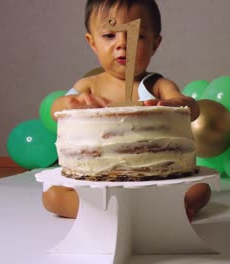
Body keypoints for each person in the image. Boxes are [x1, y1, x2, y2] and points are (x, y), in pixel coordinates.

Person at [43, 0, 211, 221]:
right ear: (92, 43)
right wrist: (71, 103)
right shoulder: (89, 86)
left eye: (138, 36)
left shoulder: (156, 85)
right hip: (94, 180)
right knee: (52, 195)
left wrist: (175, 104)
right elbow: (56, 109)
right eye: (109, 36)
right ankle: (108, 214)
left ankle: (161, 209)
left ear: (155, 43)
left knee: (201, 188)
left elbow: (192, 108)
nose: (123, 43)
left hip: (154, 180)